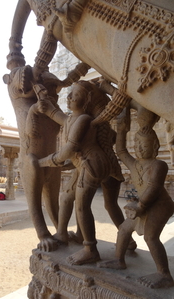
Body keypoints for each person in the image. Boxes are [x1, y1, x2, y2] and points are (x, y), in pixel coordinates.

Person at [34, 80, 129, 265]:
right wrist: (47, 107)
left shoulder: (84, 120)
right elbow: (59, 116)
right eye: (69, 94)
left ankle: (90, 249)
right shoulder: (72, 119)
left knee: (82, 206)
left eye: (75, 96)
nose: (69, 98)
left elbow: (67, 152)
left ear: (86, 103)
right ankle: (64, 234)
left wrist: (43, 162)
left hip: (92, 164)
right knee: (73, 198)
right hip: (84, 164)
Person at [99, 113, 174, 289]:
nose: (139, 148)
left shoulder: (158, 165)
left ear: (155, 146)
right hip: (143, 205)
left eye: (144, 144)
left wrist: (140, 206)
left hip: (160, 206)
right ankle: (119, 259)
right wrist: (121, 129)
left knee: (150, 236)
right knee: (124, 229)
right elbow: (121, 151)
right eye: (137, 144)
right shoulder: (134, 164)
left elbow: (154, 188)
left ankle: (164, 274)